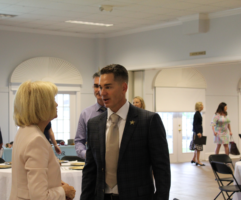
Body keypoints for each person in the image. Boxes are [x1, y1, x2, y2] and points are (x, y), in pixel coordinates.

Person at [81, 64, 171, 200]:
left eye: (108, 87)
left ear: (124, 88)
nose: (102, 92)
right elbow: (90, 170)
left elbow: (162, 170)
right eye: (100, 87)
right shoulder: (94, 124)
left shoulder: (148, 121)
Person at [9, 80, 75, 200]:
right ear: (41, 106)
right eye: (52, 100)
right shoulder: (36, 140)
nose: (56, 104)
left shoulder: (24, 131)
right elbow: (40, 196)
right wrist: (64, 191)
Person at [75, 72, 106, 159]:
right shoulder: (85, 114)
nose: (99, 90)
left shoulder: (117, 112)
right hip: (93, 167)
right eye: (96, 86)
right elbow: (79, 141)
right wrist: (86, 154)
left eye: (103, 86)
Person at [191, 102, 205, 166]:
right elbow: (194, 124)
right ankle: (198, 161)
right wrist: (198, 133)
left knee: (197, 147)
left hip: (197, 132)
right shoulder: (197, 114)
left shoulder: (198, 113)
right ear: (199, 106)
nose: (203, 106)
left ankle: (194, 159)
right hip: (197, 132)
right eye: (202, 105)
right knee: (198, 147)